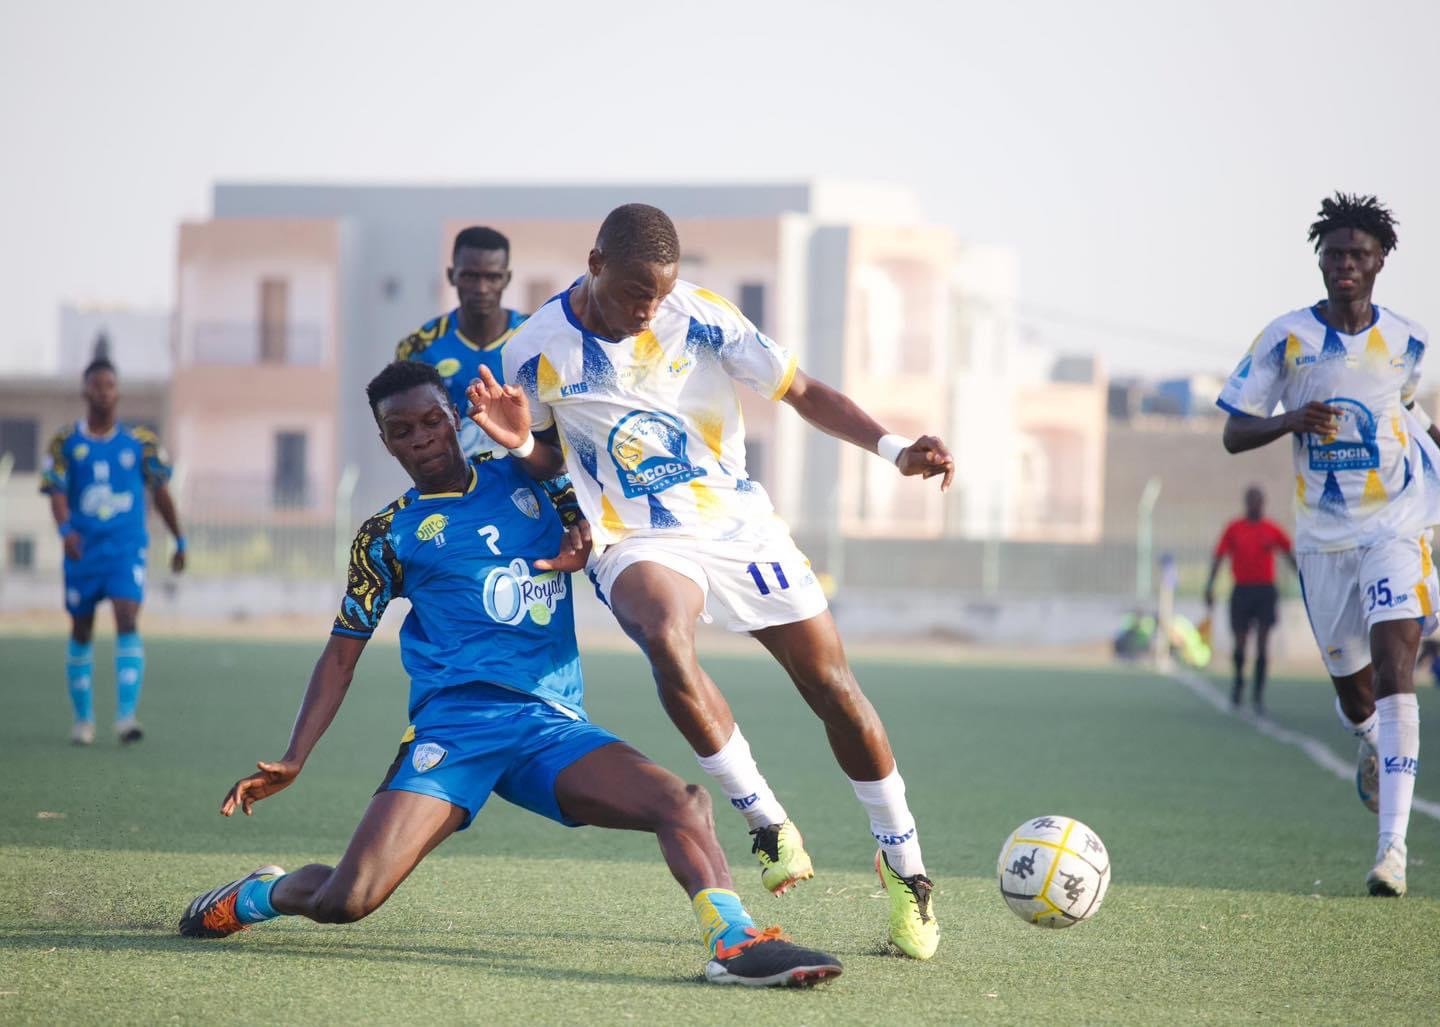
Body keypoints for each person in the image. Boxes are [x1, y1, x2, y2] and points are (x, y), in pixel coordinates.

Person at [178, 361, 841, 989]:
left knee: (683, 804)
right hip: (455, 732)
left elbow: (603, 518)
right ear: (385, 441)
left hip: (548, 726)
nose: (421, 438)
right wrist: (295, 756)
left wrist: (588, 539)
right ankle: (260, 891)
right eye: (401, 430)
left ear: (453, 417)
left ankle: (734, 942)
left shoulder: (533, 482)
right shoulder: (388, 535)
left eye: (431, 420)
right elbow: (341, 651)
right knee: (347, 899)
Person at [476, 203, 954, 959]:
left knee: (834, 690)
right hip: (635, 535)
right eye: (636, 290)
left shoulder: (700, 317)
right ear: (594, 262)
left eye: (660, 293)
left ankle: (906, 867)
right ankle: (764, 818)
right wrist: (522, 444)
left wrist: (894, 449)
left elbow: (801, 391)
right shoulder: (535, 350)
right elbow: (540, 459)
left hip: (738, 526)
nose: (648, 308)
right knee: (664, 633)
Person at [1216, 192, 1436, 896]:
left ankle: (1391, 850)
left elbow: (1413, 411)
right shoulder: (1285, 340)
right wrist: (1290, 421)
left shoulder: (1407, 341)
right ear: (1320, 259)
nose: (1345, 264)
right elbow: (1233, 432)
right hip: (1322, 542)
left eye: (1358, 255)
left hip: (1395, 527)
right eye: (1334, 253)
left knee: (1397, 660)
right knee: (1356, 692)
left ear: (1380, 263)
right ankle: (1368, 741)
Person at [40, 356, 186, 745]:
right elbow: (55, 491)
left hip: (126, 548)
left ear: (117, 391)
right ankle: (83, 721)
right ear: (85, 390)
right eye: (97, 385)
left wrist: (179, 539)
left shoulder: (141, 443)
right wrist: (66, 530)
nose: (103, 391)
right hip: (83, 550)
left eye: (110, 385)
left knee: (126, 615)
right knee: (82, 627)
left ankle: (126, 719)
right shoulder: (64, 441)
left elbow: (162, 494)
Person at [396, 226, 528, 460]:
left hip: (526, 481)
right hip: (452, 486)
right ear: (451, 275)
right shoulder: (419, 348)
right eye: (470, 276)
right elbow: (403, 427)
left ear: (506, 279)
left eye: (493, 277)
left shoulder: (533, 338)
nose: (481, 288)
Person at [1204, 486, 1296, 714]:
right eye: (1251, 500)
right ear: (1246, 503)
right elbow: (1219, 557)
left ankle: (1258, 695)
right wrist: (1210, 586)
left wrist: (1305, 582)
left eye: (1259, 501)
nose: (1255, 504)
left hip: (1265, 591)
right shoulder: (1234, 529)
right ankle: (1237, 685)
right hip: (1242, 591)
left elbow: (1289, 554)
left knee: (1263, 644)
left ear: (1263, 503)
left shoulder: (1271, 529)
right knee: (1240, 643)